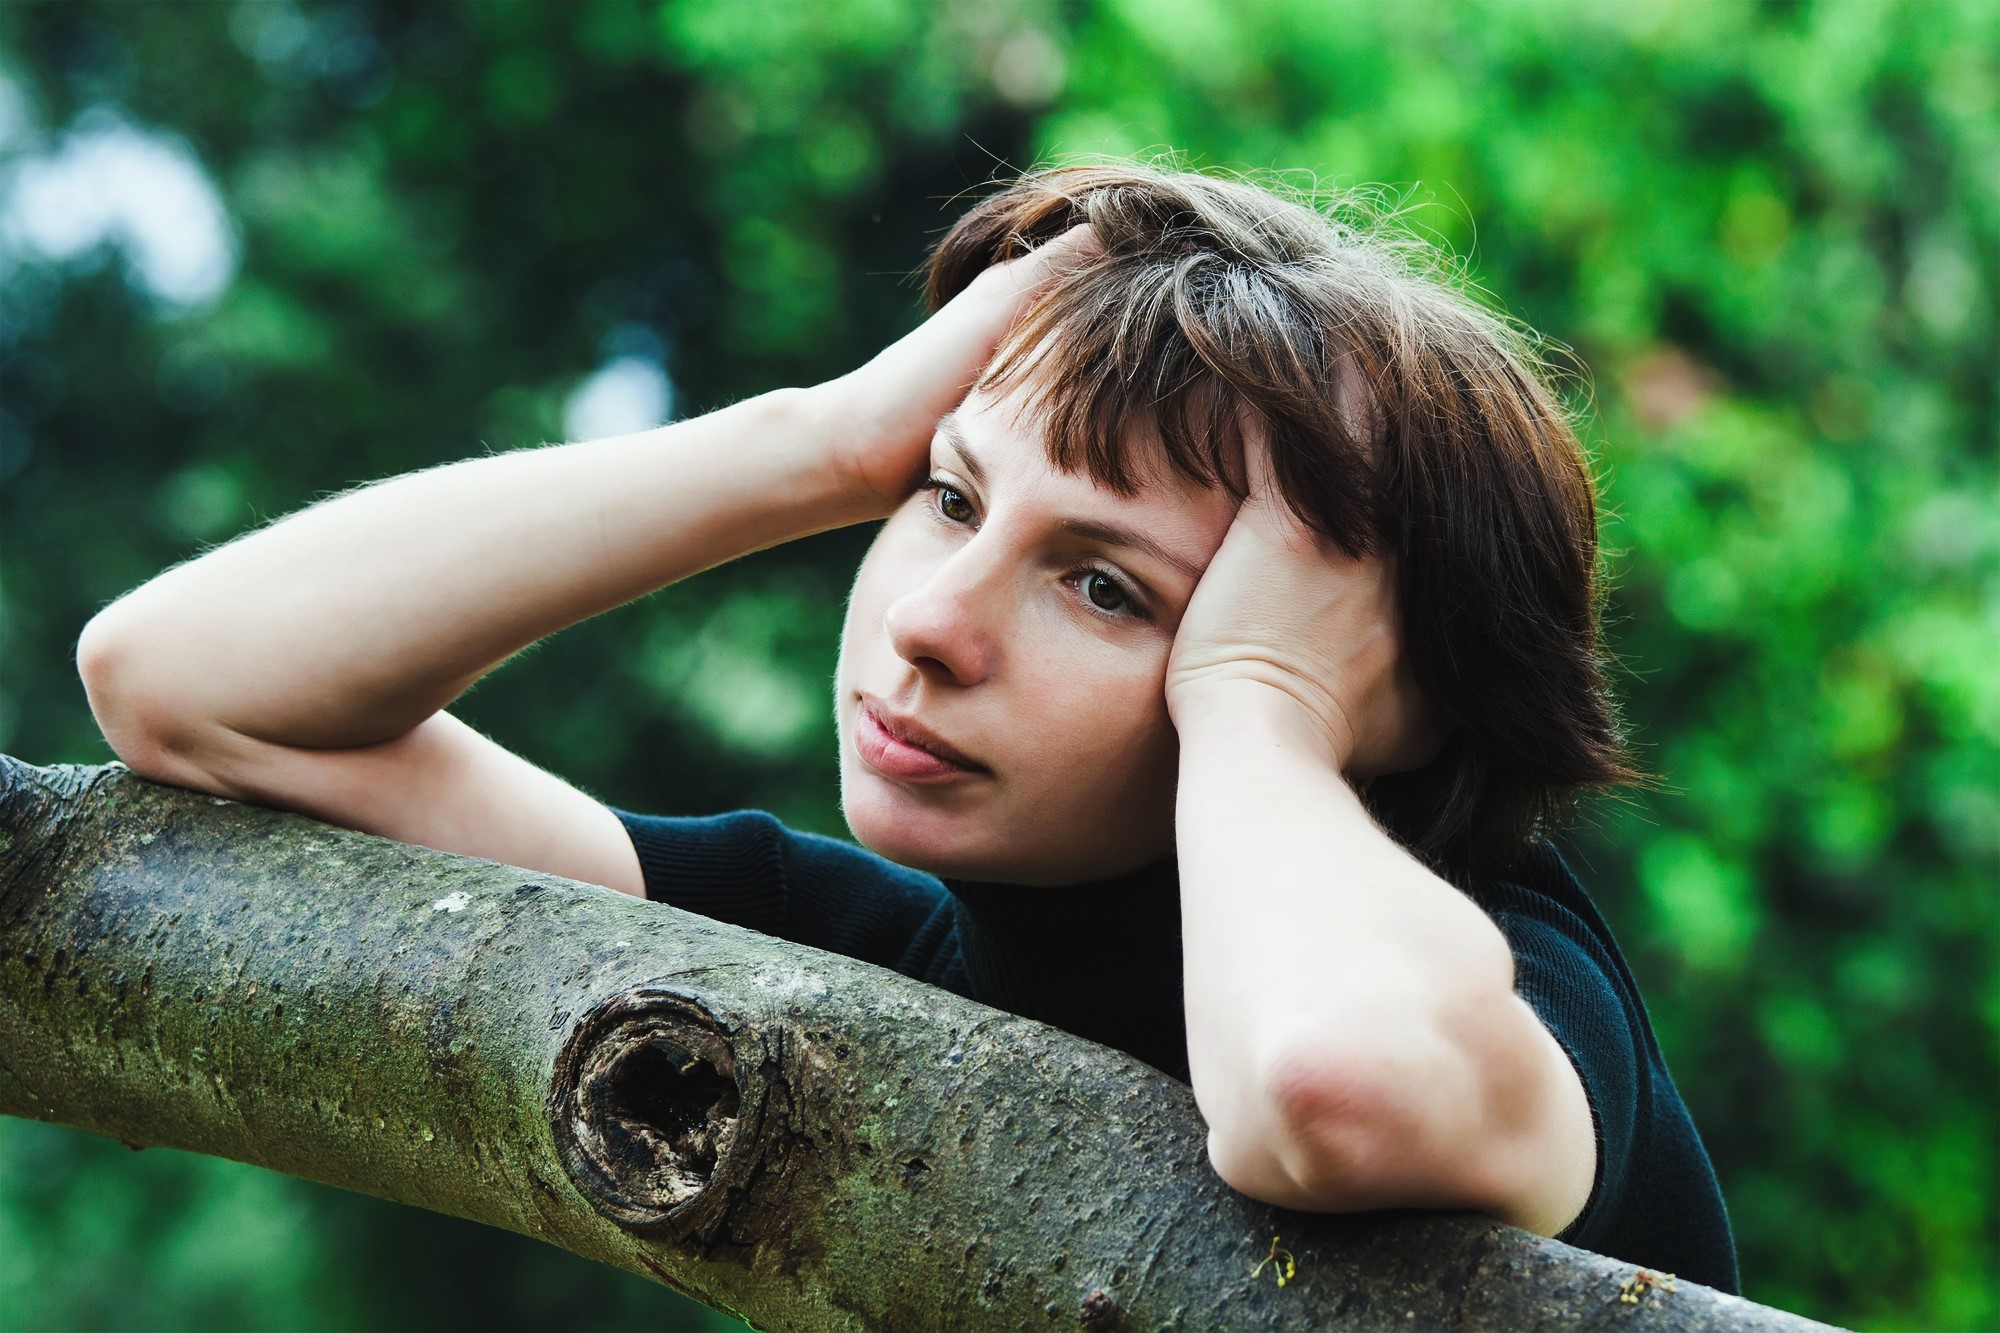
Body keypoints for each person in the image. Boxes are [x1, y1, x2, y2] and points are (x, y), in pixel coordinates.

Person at [77, 161, 1738, 1292]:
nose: (934, 626)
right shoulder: (856, 945)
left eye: (1106, 588)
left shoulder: (1517, 986)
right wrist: (825, 437)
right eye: (947, 501)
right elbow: (189, 683)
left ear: (1387, 692)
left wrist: (1263, 708)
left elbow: (1327, 1086)